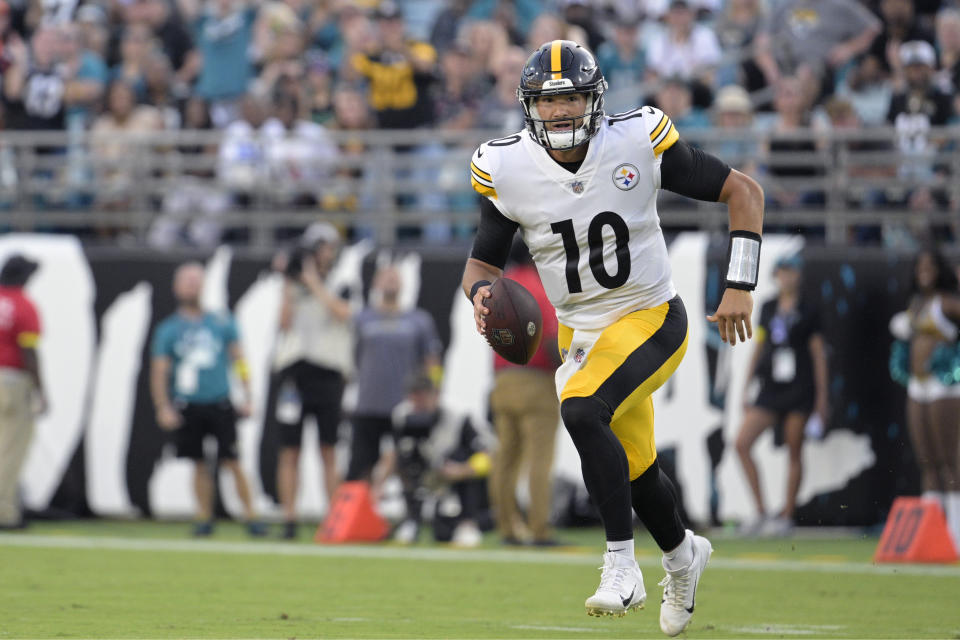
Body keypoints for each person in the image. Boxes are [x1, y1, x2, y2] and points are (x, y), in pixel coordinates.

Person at [462, 40, 764, 635]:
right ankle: (682, 557)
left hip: (650, 315)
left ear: (595, 100)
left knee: (579, 408)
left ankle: (621, 565)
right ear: (529, 108)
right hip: (584, 330)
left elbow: (743, 192)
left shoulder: (636, 140)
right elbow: (482, 264)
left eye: (571, 97)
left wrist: (740, 284)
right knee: (636, 467)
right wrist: (480, 297)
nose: (560, 111)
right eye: (547, 102)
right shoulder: (507, 167)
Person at [149, 262, 266, 537]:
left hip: (220, 401)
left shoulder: (221, 322)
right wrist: (162, 406)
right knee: (198, 463)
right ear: (176, 287)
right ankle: (203, 516)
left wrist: (248, 394)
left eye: (196, 280)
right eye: (186, 280)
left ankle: (252, 515)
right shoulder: (168, 329)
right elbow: (159, 371)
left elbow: (239, 359)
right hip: (188, 403)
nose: (191, 285)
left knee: (233, 461)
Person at [734, 254, 828, 537]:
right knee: (741, 443)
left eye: (791, 272)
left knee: (794, 447)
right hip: (771, 386)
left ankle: (787, 514)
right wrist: (746, 385)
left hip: (799, 387)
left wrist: (822, 399)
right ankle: (761, 511)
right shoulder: (769, 307)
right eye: (783, 272)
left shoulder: (810, 309)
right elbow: (760, 347)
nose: (787, 277)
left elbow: (818, 354)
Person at [272, 223, 354, 539]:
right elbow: (283, 324)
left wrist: (313, 281)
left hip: (328, 371)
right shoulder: (293, 283)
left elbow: (342, 313)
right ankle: (289, 519)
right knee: (289, 449)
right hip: (295, 370)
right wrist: (288, 284)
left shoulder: (342, 281)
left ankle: (333, 519)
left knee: (328, 449)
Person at [488, 240, 562, 546]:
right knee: (539, 460)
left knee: (505, 458)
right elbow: (550, 338)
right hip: (536, 380)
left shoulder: (498, 289)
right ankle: (539, 528)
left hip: (503, 380)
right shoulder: (538, 287)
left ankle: (507, 526)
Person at [346, 264, 442, 489]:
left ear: (403, 284)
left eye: (395, 277)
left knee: (408, 465)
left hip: (405, 407)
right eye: (385, 276)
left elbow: (432, 360)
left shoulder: (419, 320)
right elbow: (354, 356)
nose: (390, 281)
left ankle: (412, 515)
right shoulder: (363, 319)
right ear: (376, 283)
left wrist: (434, 393)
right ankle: (363, 516)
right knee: (362, 466)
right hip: (368, 405)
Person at [889, 247, 960, 548]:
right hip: (918, 386)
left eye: (930, 266)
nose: (924, 272)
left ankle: (957, 534)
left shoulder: (948, 303)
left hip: (945, 385)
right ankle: (933, 536)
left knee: (950, 460)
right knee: (927, 461)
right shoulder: (917, 303)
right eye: (920, 267)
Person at [392, 374, 493, 547]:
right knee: (407, 459)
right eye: (415, 398)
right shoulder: (402, 416)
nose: (419, 404)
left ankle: (467, 523)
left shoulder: (459, 417)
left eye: (424, 397)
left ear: (435, 395)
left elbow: (487, 455)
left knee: (461, 456)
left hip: (457, 477)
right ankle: (412, 520)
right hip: (428, 476)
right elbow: (396, 454)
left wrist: (462, 471)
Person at [0, 255, 46, 530]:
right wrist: (41, 390)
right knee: (11, 449)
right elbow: (29, 351)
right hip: (11, 381)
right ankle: (5, 512)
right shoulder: (22, 304)